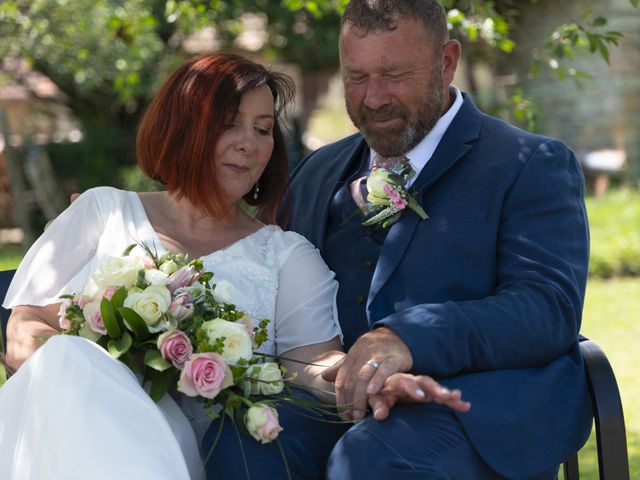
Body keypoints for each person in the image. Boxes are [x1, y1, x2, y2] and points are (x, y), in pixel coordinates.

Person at [0, 53, 468, 480]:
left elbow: (311, 363)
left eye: (263, 129)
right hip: (65, 425)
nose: (249, 143)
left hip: (185, 451)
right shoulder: (102, 211)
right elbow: (23, 328)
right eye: (229, 124)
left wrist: (369, 378)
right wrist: (108, 367)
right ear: (182, 128)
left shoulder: (285, 256)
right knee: (68, 358)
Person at [281, 1, 592, 479]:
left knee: (368, 461)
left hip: (474, 410)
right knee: (242, 442)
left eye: (395, 74)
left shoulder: (530, 163)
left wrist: (407, 337)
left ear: (447, 62)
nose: (374, 98)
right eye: (356, 77)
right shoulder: (317, 172)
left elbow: (545, 308)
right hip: (333, 402)